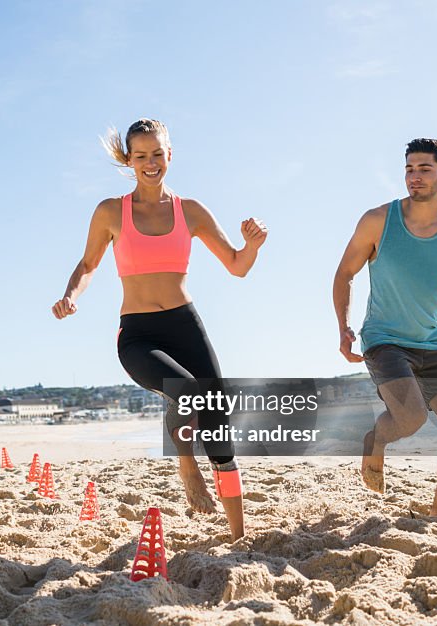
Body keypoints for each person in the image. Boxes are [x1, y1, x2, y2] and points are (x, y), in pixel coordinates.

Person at [51, 118, 267, 540]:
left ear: (170, 155)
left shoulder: (192, 211)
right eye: (141, 156)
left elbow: (238, 266)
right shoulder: (111, 211)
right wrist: (72, 294)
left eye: (157, 154)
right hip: (138, 333)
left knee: (217, 420)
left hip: (185, 324)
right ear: (129, 160)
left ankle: (239, 535)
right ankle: (187, 465)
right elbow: (89, 264)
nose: (150, 163)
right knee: (186, 390)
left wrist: (253, 247)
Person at [333, 138, 437, 516]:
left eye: (424, 169)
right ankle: (375, 439)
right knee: (410, 418)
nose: (415, 177)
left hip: (434, 343)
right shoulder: (378, 221)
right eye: (409, 169)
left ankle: (436, 513)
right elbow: (345, 273)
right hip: (384, 340)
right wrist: (344, 327)